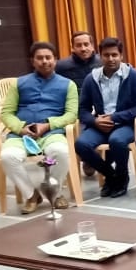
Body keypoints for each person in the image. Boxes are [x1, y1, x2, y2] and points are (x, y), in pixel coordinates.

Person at [0, 42, 78, 214]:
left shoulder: (68, 85)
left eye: (48, 57)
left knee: (61, 151)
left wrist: (48, 125)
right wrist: (21, 128)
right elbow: (6, 113)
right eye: (40, 58)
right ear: (32, 61)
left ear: (55, 60)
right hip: (21, 135)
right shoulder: (19, 83)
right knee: (7, 156)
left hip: (52, 133)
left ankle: (55, 193)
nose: (44, 61)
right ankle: (31, 195)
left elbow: (71, 114)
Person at [74, 37, 136, 198]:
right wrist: (95, 120)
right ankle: (111, 175)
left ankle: (122, 177)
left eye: (114, 55)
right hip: (100, 125)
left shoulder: (133, 76)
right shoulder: (92, 78)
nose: (110, 59)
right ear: (100, 56)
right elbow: (83, 109)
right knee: (81, 144)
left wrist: (115, 117)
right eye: (106, 55)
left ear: (121, 56)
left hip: (126, 124)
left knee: (117, 141)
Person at [55, 31, 99, 176]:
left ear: (92, 46)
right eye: (79, 45)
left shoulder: (102, 62)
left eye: (86, 44)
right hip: (76, 112)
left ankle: (93, 160)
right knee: (81, 135)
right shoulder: (61, 66)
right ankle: (87, 159)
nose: (83, 48)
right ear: (72, 48)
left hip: (100, 110)